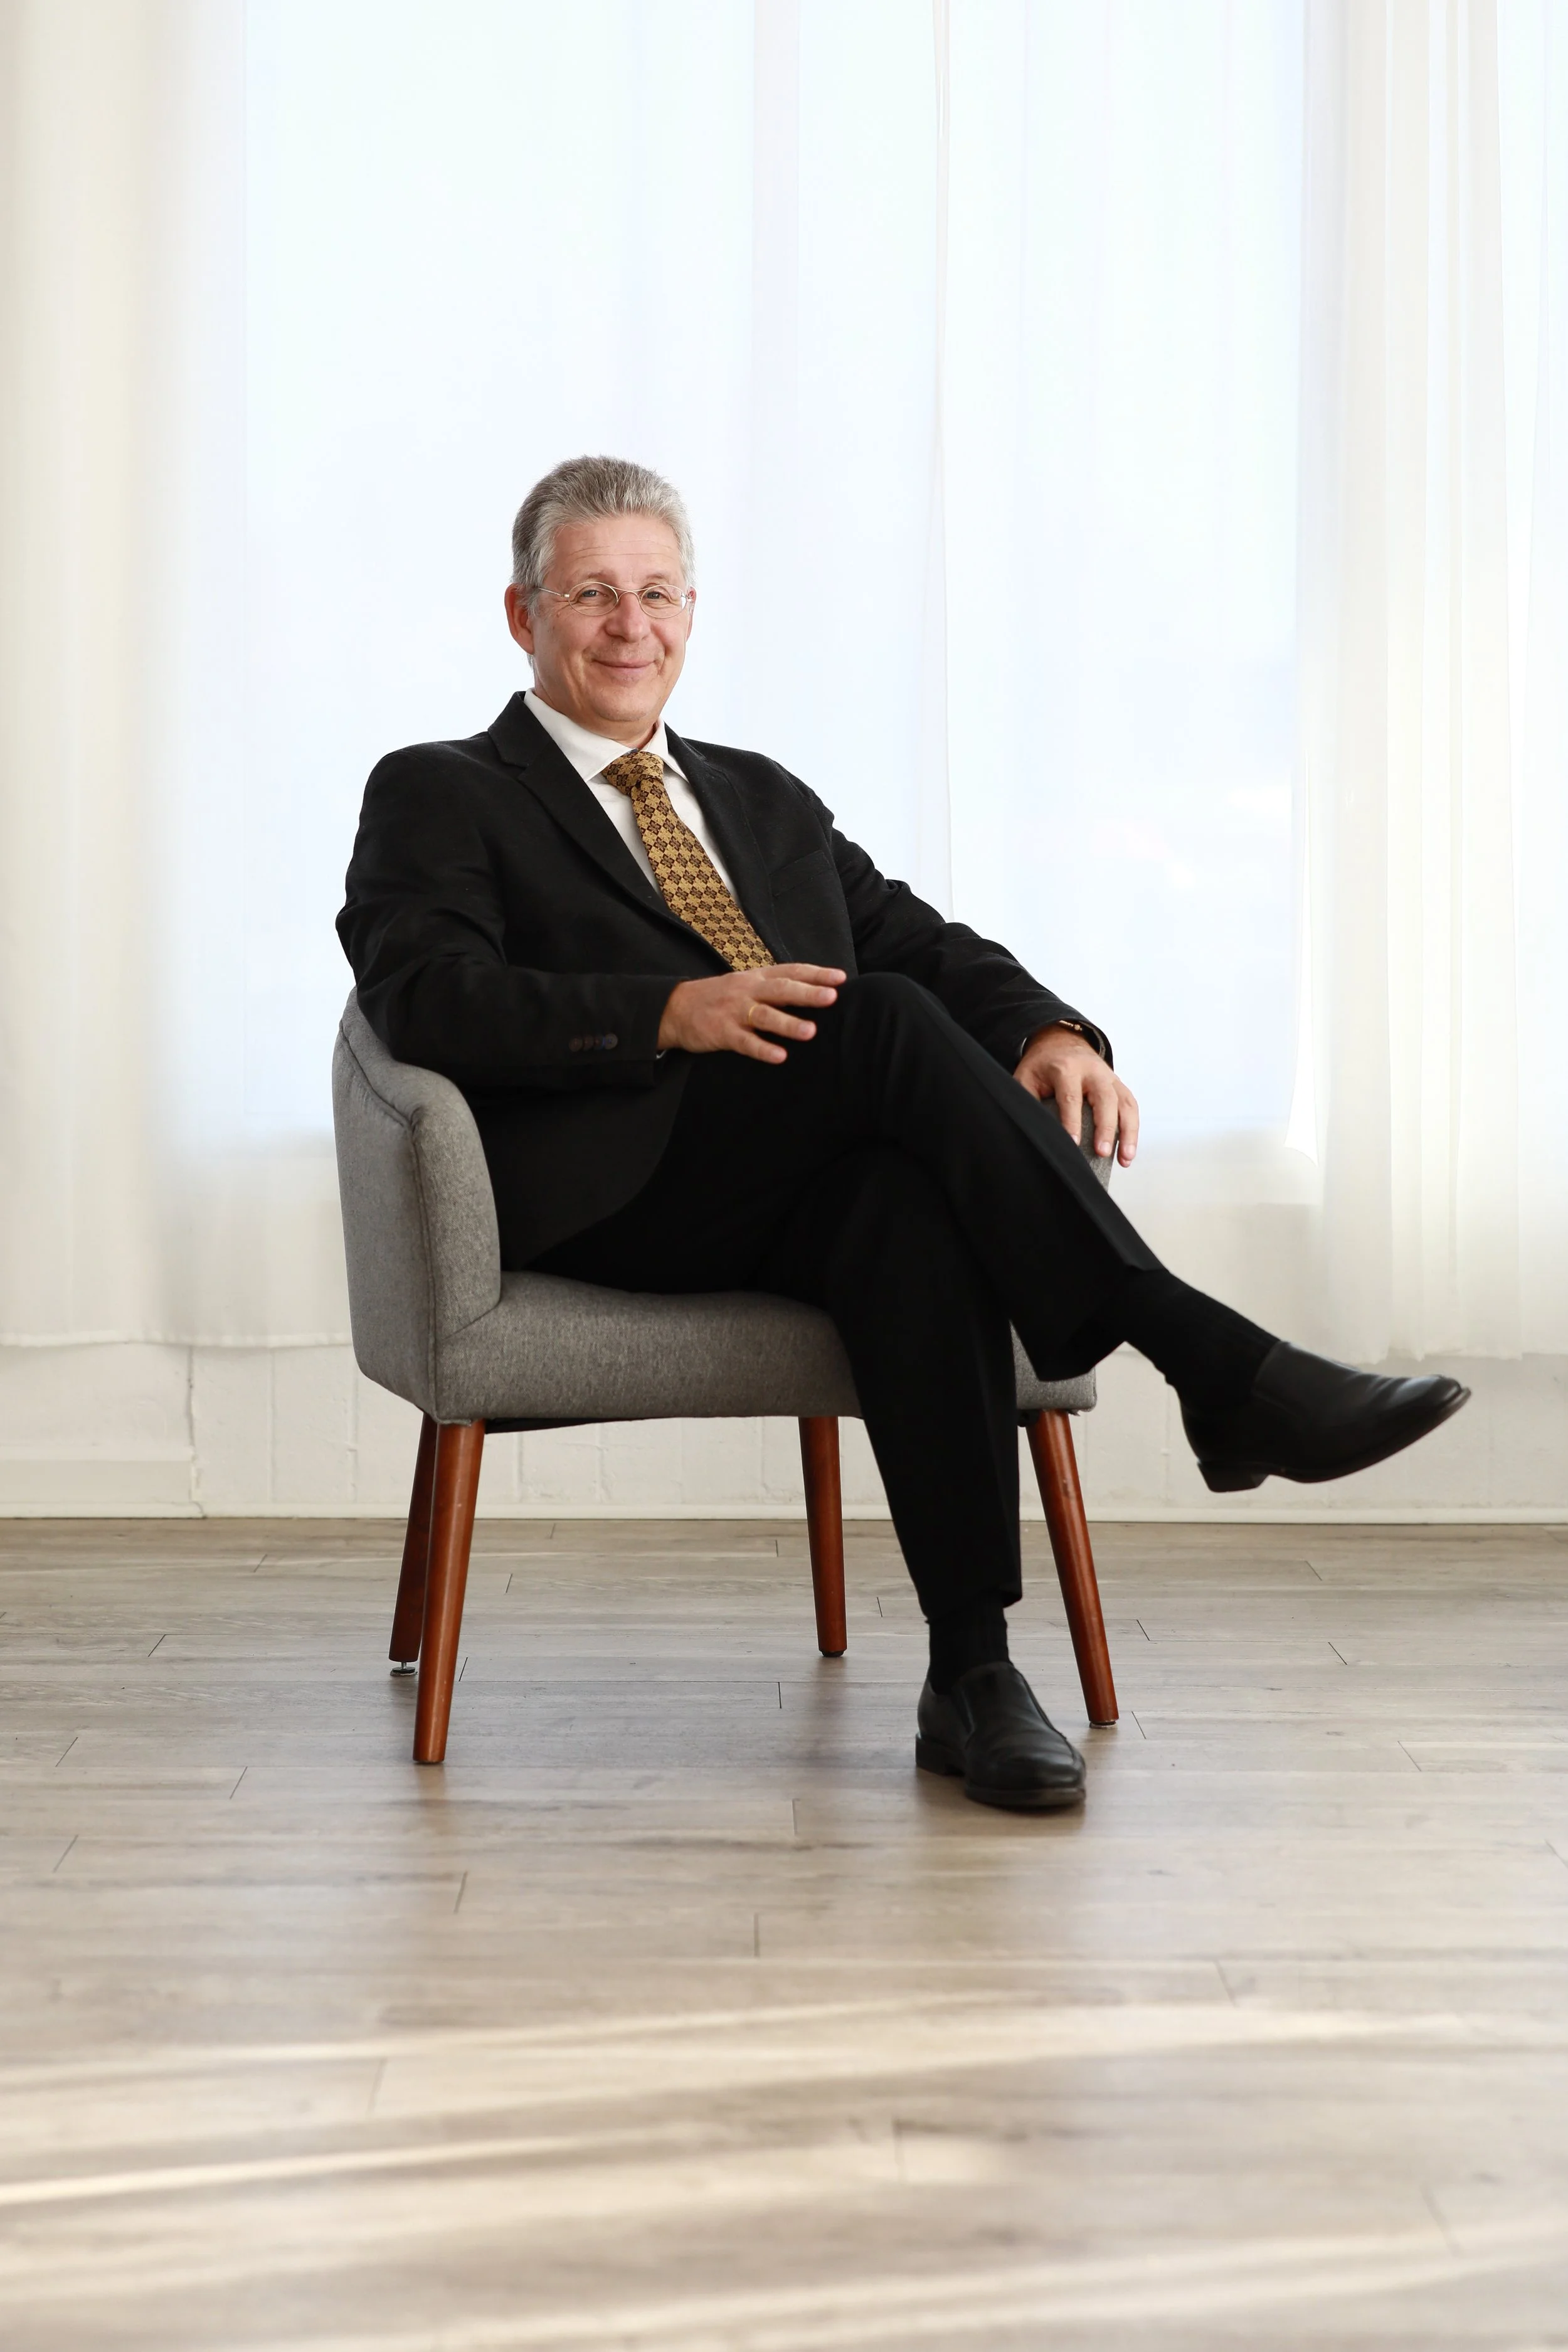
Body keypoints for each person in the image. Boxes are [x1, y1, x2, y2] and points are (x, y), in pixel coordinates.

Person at [338, 455, 1468, 1813]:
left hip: (794, 1176)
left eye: (654, 593)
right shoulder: (438, 789)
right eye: (590, 594)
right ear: (524, 617)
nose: (627, 626)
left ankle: (970, 1674)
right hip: (612, 1184)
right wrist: (666, 1015)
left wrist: (1052, 1033)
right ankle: (1207, 1358)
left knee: (904, 1204)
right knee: (871, 1025)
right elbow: (425, 995)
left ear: (692, 612)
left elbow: (918, 945)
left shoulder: (758, 796)